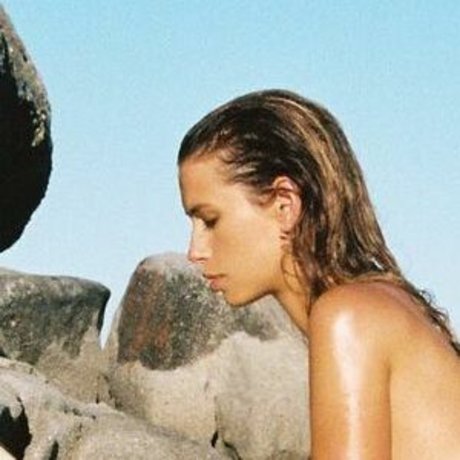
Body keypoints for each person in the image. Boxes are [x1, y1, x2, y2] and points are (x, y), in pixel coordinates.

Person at [177, 89, 460, 458]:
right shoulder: (385, 305)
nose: (195, 252)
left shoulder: (350, 317)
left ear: (284, 205)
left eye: (210, 220)